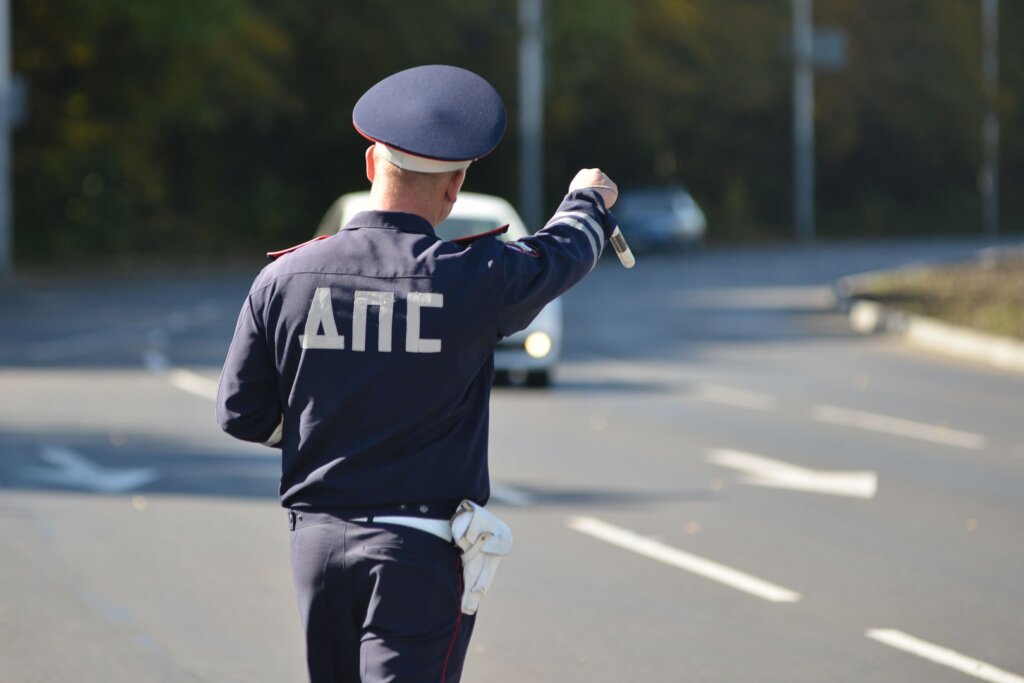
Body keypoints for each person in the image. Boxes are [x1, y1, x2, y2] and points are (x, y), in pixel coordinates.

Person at [216, 64, 619, 683]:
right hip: (419, 549)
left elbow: (240, 413)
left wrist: (329, 431)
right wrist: (586, 199)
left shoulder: (284, 278)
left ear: (372, 165)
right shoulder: (471, 278)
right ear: (454, 186)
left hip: (318, 542)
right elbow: (560, 253)